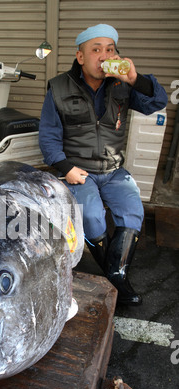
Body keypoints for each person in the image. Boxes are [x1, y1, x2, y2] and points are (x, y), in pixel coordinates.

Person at [39, 24, 168, 306]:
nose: (103, 55)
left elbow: (158, 101)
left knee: (133, 211)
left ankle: (115, 276)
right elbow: (48, 138)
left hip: (113, 171)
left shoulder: (122, 85)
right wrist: (65, 168)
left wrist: (135, 78)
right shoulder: (59, 88)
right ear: (81, 56)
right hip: (79, 171)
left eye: (109, 49)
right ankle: (118, 279)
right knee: (94, 218)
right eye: (96, 49)